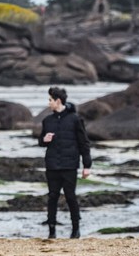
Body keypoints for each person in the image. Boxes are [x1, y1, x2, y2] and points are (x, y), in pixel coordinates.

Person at [39, 87, 92, 239]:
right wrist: (44, 140)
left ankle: (76, 229)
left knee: (70, 197)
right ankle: (51, 230)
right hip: (52, 165)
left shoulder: (75, 119)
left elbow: (84, 143)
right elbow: (41, 142)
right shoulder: (47, 121)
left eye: (50, 100)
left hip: (69, 165)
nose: (48, 103)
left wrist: (87, 165)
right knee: (52, 197)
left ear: (58, 101)